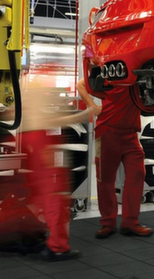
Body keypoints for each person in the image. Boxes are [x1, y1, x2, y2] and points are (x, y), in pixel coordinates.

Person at [17, 85, 101, 261]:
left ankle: (33, 236)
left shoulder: (25, 110)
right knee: (55, 202)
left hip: (36, 157)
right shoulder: (35, 112)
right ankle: (57, 248)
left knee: (42, 200)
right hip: (44, 158)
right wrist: (87, 113)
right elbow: (55, 121)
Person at [77, 79, 153, 239]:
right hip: (107, 132)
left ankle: (130, 223)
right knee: (105, 180)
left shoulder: (138, 75)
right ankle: (108, 223)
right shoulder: (108, 71)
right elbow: (80, 85)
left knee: (137, 175)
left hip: (131, 134)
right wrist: (92, 106)